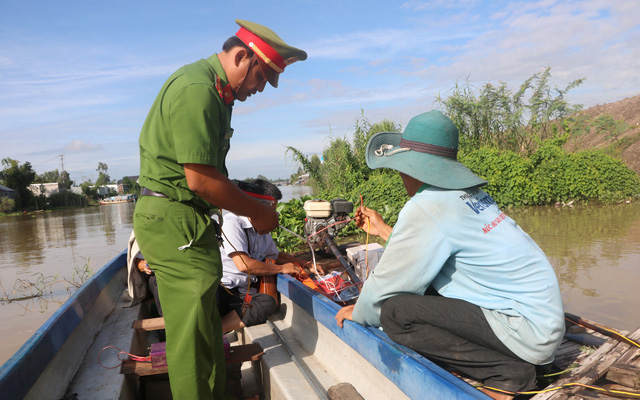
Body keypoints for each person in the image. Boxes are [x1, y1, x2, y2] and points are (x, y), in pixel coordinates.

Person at [334, 111, 565, 400]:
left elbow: (386, 286)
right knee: (424, 290)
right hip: (544, 325)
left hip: (525, 332)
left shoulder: (426, 206)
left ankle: (507, 373)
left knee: (395, 312)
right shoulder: (465, 194)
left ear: (410, 167)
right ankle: (522, 361)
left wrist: (360, 312)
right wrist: (382, 231)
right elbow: (437, 251)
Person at [133, 20, 306, 400]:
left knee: (206, 328)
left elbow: (211, 179)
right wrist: (257, 214)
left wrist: (252, 201)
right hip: (173, 219)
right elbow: (200, 180)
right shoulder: (199, 90)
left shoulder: (217, 95)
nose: (260, 89)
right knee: (191, 338)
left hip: (188, 221)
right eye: (261, 77)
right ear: (242, 56)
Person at [218, 179, 312, 332]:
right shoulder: (232, 223)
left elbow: (275, 255)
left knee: (267, 302)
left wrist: (307, 264)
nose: (274, 215)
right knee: (265, 303)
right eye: (272, 211)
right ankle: (214, 332)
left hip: (244, 291)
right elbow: (244, 265)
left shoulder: (261, 228)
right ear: (257, 206)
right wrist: (281, 269)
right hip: (227, 290)